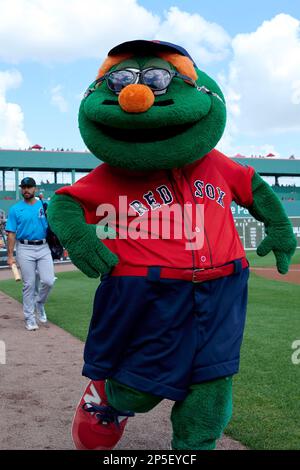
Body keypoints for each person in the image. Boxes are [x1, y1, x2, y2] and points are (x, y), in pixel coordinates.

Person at [6, 177, 56, 331]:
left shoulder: (44, 205)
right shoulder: (15, 209)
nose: (26, 190)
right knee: (28, 284)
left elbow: (53, 225)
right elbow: (11, 234)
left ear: (35, 189)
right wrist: (10, 256)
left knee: (48, 281)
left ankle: (39, 303)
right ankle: (29, 318)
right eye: (24, 187)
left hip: (43, 246)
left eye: (29, 187)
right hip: (25, 248)